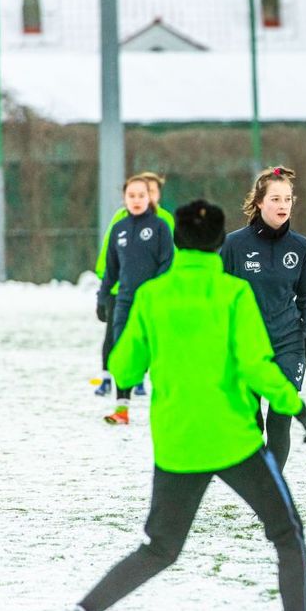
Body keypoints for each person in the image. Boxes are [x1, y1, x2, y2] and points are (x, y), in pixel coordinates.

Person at [41, 199, 306, 611]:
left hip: (178, 443)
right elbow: (256, 367)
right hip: (234, 441)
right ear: (219, 241)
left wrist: (130, 327)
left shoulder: (152, 297)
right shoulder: (233, 294)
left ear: (176, 240)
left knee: (159, 549)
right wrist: (297, 408)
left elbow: (122, 367)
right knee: (288, 534)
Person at [221, 166, 306, 470]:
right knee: (251, 425)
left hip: (288, 344)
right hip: (245, 349)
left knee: (280, 420)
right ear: (259, 202)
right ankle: (259, 480)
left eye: (288, 199)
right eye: (276, 199)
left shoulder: (302, 248)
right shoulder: (233, 246)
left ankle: (273, 490)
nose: (283, 206)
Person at [96, 175, 174, 424]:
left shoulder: (161, 226)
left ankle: (166, 407)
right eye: (132, 196)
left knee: (157, 354)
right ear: (125, 198)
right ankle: (121, 409)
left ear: (150, 197)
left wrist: (154, 292)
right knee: (123, 354)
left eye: (142, 195)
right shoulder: (119, 228)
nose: (137, 200)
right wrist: (102, 297)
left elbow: (167, 262)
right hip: (125, 302)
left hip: (153, 303)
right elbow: (111, 269)